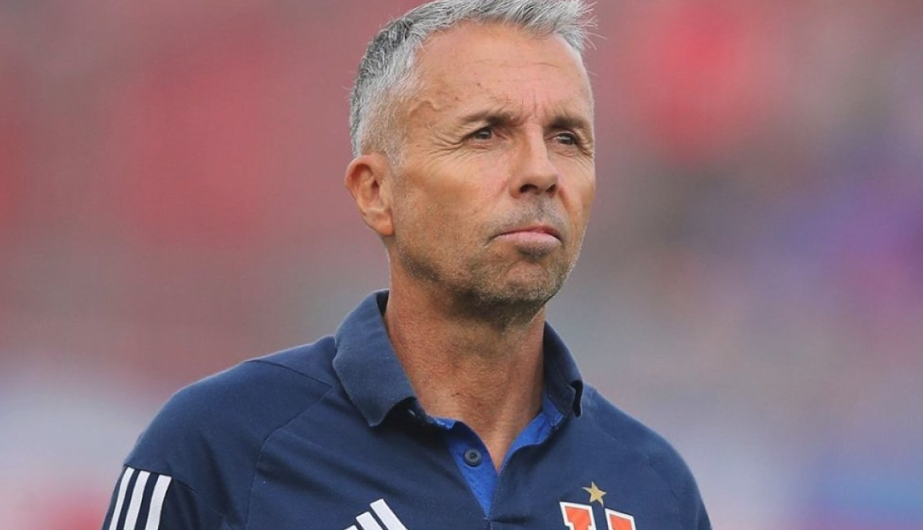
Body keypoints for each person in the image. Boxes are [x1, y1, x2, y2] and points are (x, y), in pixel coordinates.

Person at [101, 1, 711, 529]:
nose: (541, 171)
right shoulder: (217, 447)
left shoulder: (655, 488)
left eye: (567, 138)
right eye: (485, 133)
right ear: (375, 192)